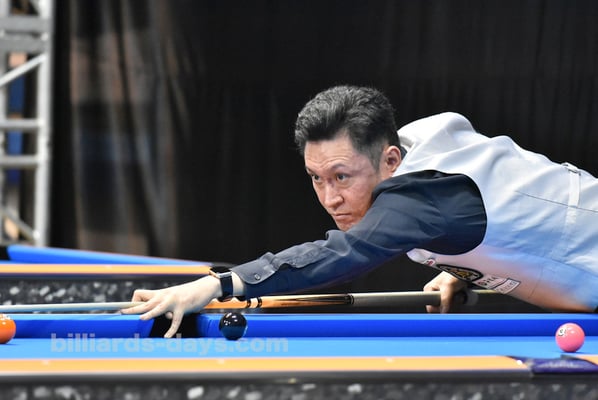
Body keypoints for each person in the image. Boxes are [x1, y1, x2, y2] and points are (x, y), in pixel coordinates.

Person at [122, 85, 598, 338]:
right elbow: (502, 206)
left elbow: (345, 253)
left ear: (390, 160)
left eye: (342, 177)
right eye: (316, 178)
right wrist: (463, 263)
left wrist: (215, 285)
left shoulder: (422, 195)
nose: (330, 198)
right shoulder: (420, 160)